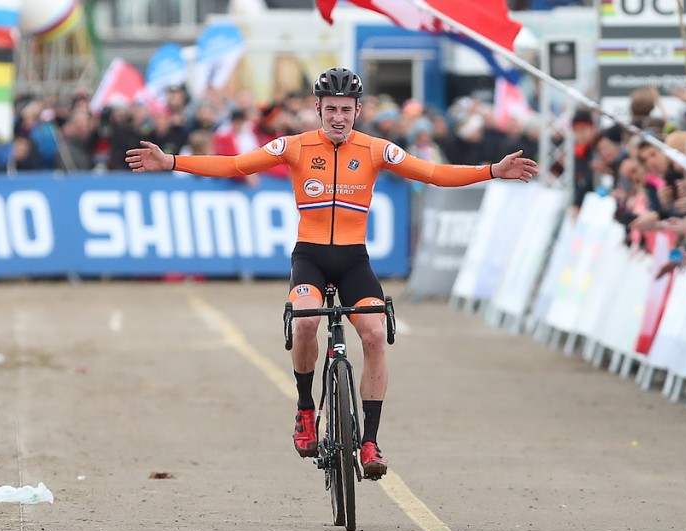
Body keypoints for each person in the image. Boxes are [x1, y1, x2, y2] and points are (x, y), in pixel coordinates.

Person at [126, 66, 538, 480]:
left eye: (345, 109)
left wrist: (492, 170)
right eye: (330, 109)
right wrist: (172, 161)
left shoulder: (376, 149)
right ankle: (306, 408)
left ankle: (371, 441)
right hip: (311, 258)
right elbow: (235, 165)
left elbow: (433, 174)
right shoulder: (294, 146)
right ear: (317, 109)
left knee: (375, 335)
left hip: (354, 261)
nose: (338, 117)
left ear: (357, 110)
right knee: (305, 322)